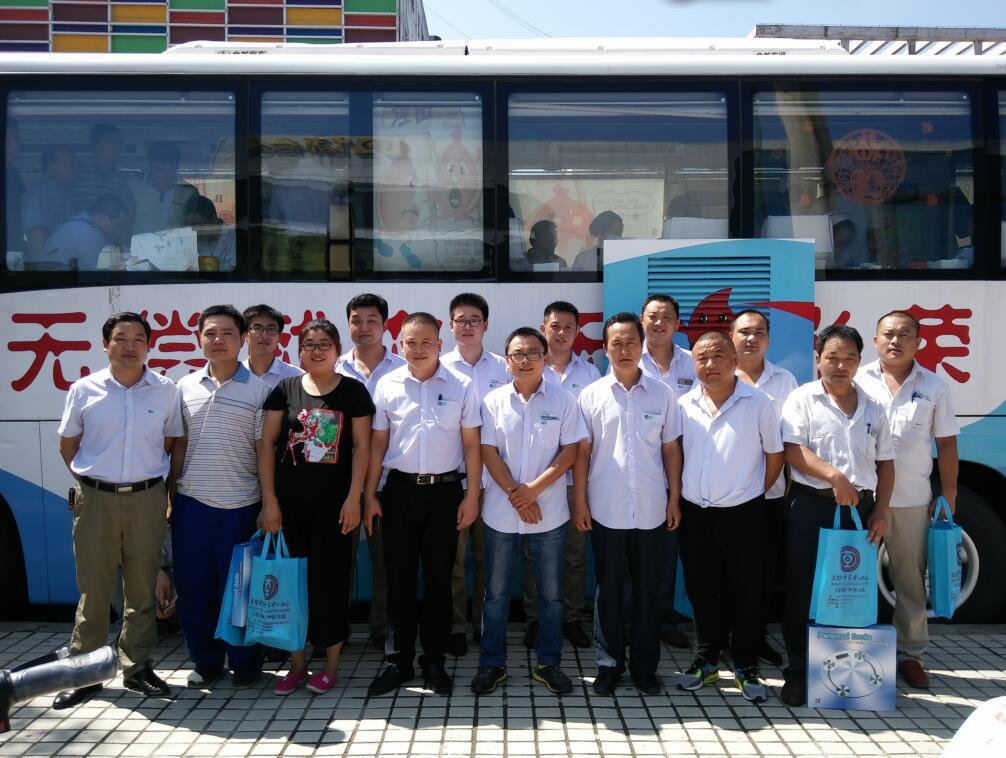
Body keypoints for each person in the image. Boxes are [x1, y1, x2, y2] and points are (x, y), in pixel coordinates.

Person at [53, 312, 182, 709]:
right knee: (93, 589)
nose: (130, 346)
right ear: (105, 344)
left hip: (147, 497)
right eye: (121, 338)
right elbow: (68, 444)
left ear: (149, 345)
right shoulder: (84, 389)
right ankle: (85, 673)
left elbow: (172, 442)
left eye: (138, 339)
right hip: (96, 498)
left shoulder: (165, 390)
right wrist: (92, 482)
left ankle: (137, 666)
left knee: (141, 588)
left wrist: (163, 492)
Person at [364, 312, 481, 697]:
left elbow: (471, 445)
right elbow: (378, 444)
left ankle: (434, 660)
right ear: (400, 345)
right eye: (410, 343)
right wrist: (369, 495)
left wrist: (472, 496)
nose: (417, 349)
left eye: (425, 342)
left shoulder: (462, 385)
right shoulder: (387, 384)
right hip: (398, 492)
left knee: (439, 580)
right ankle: (398, 661)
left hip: (445, 494)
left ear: (439, 345)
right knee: (397, 579)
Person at [779, 324, 894, 707]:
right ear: (818, 359)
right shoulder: (802, 399)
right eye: (832, 357)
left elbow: (886, 463)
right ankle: (799, 673)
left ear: (860, 361)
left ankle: (850, 674)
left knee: (852, 590)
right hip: (813, 506)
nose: (840, 365)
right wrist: (834, 476)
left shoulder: (874, 406)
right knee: (803, 589)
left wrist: (881, 510)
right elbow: (793, 450)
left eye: (849, 358)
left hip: (861, 511)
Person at [258, 319, 375, 695]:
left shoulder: (353, 392)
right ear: (299, 352)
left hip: (336, 508)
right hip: (289, 507)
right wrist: (270, 501)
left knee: (331, 584)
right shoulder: (285, 389)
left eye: (325, 344)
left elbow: (362, 447)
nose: (317, 350)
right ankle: (296, 664)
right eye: (309, 344)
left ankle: (331, 665)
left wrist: (354, 498)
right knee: (291, 586)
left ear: (338, 350)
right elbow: (266, 445)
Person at [472, 327, 586, 695]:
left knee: (551, 596)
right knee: (495, 596)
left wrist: (533, 491)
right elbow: (488, 452)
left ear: (545, 358)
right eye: (517, 354)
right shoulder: (492, 402)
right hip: (500, 514)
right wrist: (516, 494)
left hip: (549, 514)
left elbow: (570, 452)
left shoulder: (564, 401)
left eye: (533, 353)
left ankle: (549, 663)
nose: (525, 360)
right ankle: (492, 664)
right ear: (507, 360)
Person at [575, 312, 683, 696]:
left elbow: (671, 449)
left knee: (647, 590)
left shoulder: (663, 394)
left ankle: (644, 667)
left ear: (642, 346)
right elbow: (582, 454)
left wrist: (674, 498)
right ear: (605, 349)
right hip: (606, 508)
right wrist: (580, 502)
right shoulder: (590, 396)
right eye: (616, 343)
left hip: (652, 508)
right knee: (608, 589)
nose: (624, 350)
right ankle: (609, 665)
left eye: (631, 343)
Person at [674, 332, 784, 703]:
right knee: (701, 589)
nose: (710, 364)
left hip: (745, 514)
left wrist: (752, 491)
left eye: (719, 356)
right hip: (696, 514)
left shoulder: (759, 402)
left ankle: (746, 663)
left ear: (734, 360)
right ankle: (706, 659)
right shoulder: (684, 404)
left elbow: (775, 455)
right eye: (702, 358)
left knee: (746, 590)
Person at [856, 310, 959, 689]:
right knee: (853, 578)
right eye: (888, 334)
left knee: (910, 581)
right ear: (875, 340)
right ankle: (854, 649)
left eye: (904, 335)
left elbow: (946, 444)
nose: (895, 341)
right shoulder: (857, 379)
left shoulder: (934, 386)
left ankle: (911, 654)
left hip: (911, 498)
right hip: (860, 499)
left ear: (918, 343)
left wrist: (948, 494)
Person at [171, 304, 271, 690]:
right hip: (192, 505)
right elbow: (177, 447)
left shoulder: (260, 390)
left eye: (227, 333)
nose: (218, 340)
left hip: (241, 506)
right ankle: (206, 660)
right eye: (210, 333)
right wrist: (170, 496)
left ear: (243, 339)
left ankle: (245, 661)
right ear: (199, 339)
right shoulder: (183, 388)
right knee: (194, 588)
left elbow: (264, 451)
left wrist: (268, 502)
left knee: (241, 590)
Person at [522, 300, 599, 650]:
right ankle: (535, 619)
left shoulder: (590, 374)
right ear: (544, 329)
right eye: (555, 326)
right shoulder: (530, 367)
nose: (562, 333)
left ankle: (571, 618)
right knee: (533, 555)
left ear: (578, 331)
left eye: (569, 327)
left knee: (574, 555)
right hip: (537, 481)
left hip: (575, 482)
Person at [336, 293, 406, 652]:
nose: (363, 327)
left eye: (371, 321)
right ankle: (335, 630)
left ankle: (382, 627)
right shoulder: (332, 368)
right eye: (356, 320)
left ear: (385, 325)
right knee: (337, 560)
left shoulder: (404, 369)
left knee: (386, 562)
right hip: (340, 484)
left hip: (387, 482)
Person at [441, 292, 510, 657]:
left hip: (495, 482)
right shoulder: (438, 367)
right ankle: (455, 625)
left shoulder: (503, 368)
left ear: (486, 325)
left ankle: (486, 625)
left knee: (490, 560)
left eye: (474, 320)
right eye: (460, 320)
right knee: (453, 560)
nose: (467, 326)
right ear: (450, 325)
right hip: (454, 481)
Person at [729, 309, 798, 667]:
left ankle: (755, 639)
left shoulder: (785, 382)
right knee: (724, 571)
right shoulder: (715, 375)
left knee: (761, 573)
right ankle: (723, 638)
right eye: (744, 332)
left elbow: (792, 441)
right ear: (731, 336)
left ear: (769, 340)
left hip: (768, 496)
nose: (751, 338)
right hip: (724, 498)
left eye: (759, 332)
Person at [640, 294, 695, 649]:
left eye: (666, 317)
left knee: (669, 552)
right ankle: (632, 618)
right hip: (641, 473)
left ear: (677, 323)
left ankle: (662, 617)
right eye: (652, 316)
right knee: (633, 551)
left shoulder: (694, 363)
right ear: (642, 320)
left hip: (686, 474)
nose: (659, 323)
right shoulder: (627, 359)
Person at [37, 194, 131, 271]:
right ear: (102, 218)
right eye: (118, 226)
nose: (118, 231)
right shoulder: (88, 232)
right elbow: (107, 274)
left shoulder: (77, 225)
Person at [22, 145, 79, 260]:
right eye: (70, 164)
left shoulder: (66, 193)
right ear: (52, 165)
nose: (76, 170)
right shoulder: (39, 193)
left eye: (77, 165)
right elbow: (37, 244)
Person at [130, 142, 199, 236]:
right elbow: (123, 224)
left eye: (170, 170)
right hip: (138, 244)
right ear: (150, 166)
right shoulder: (132, 188)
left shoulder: (189, 192)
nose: (164, 175)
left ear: (177, 167)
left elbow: (194, 226)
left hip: (176, 244)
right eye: (159, 169)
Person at [73, 123, 134, 213]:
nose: (122, 147)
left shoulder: (123, 179)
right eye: (117, 142)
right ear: (101, 143)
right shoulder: (76, 173)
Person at [241, 304, 304, 388]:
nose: (264, 335)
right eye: (258, 328)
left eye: (271, 329)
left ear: (279, 337)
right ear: (245, 335)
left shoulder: (295, 376)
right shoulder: (233, 374)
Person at [184, 195, 236, 272]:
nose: (192, 230)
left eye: (196, 225)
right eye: (189, 226)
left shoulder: (234, 239)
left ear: (213, 220)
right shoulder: (188, 242)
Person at [5, 117, 23, 257]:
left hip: (13, 248)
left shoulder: (15, 175)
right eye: (9, 140)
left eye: (17, 140)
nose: (15, 145)